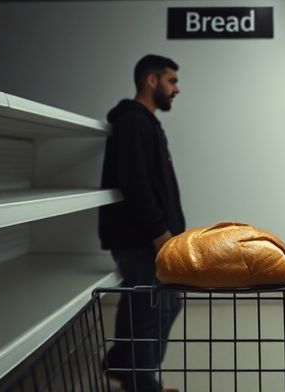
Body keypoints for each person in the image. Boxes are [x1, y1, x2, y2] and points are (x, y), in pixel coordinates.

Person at [99, 54, 185, 392]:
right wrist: (159, 232)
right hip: (141, 237)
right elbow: (135, 182)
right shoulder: (133, 122)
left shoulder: (144, 122)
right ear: (152, 80)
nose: (177, 89)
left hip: (147, 235)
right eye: (172, 80)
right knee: (155, 306)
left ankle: (123, 365)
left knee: (144, 303)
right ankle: (143, 384)